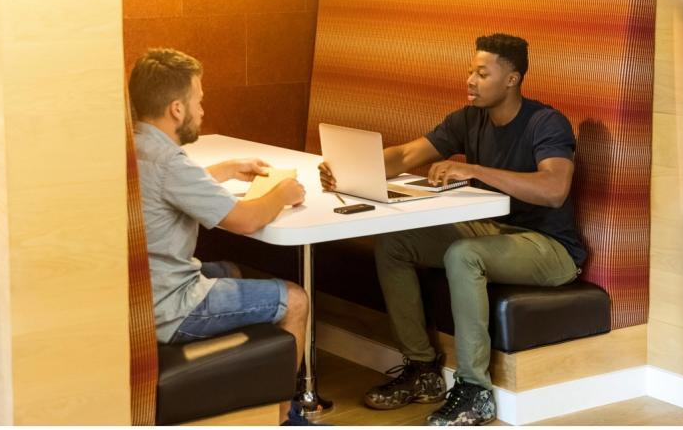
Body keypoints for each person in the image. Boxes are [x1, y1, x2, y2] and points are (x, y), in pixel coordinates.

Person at [319, 33, 587, 426]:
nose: (470, 81)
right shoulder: (469, 119)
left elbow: (553, 189)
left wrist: (475, 170)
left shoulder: (545, 123)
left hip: (549, 247)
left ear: (511, 79)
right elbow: (408, 154)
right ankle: (424, 370)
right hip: (493, 228)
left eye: (482, 73)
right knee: (396, 244)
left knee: (463, 256)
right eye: (469, 71)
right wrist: (349, 168)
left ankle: (475, 391)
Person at [129, 49, 311, 425]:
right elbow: (245, 221)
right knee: (295, 299)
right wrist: (284, 193)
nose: (202, 110)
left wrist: (225, 169)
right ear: (177, 109)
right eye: (199, 100)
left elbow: (170, 188)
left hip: (138, 296)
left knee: (231, 269)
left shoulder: (135, 146)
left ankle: (249, 398)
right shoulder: (170, 161)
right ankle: (283, 416)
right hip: (170, 306)